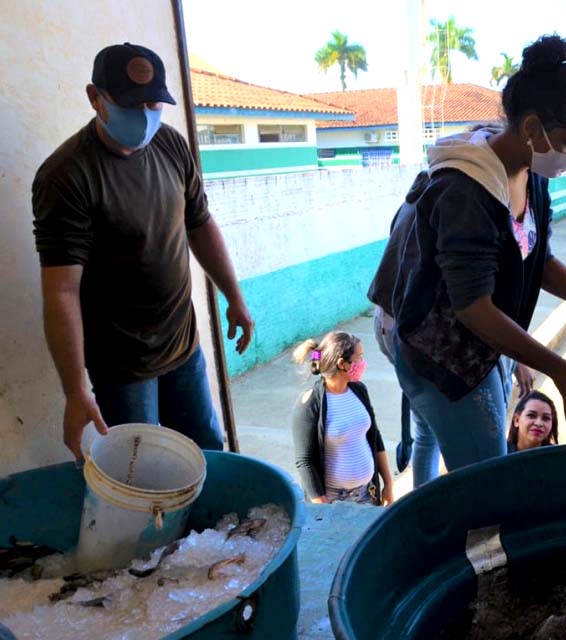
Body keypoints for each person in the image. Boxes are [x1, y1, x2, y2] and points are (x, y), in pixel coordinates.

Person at [368, 34, 566, 487]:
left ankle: (429, 507)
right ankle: (461, 546)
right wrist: (557, 368)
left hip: (466, 330)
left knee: (438, 433)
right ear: (531, 128)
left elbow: (535, 258)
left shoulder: (530, 172)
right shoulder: (465, 191)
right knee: (486, 476)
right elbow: (473, 308)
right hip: (431, 338)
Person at [32, 43, 253, 459]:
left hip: (181, 344)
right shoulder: (66, 176)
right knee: (142, 469)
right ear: (95, 98)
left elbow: (200, 224)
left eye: (154, 103)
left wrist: (234, 297)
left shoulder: (171, 145)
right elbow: (61, 291)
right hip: (121, 366)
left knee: (207, 451)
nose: (146, 115)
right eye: (131, 104)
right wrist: (75, 389)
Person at [291, 333, 394, 506]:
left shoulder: (359, 390)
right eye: (359, 358)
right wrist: (322, 508)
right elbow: (304, 461)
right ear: (342, 364)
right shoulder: (310, 403)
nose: (363, 364)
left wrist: (388, 483)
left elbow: (374, 436)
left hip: (368, 494)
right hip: (333, 501)